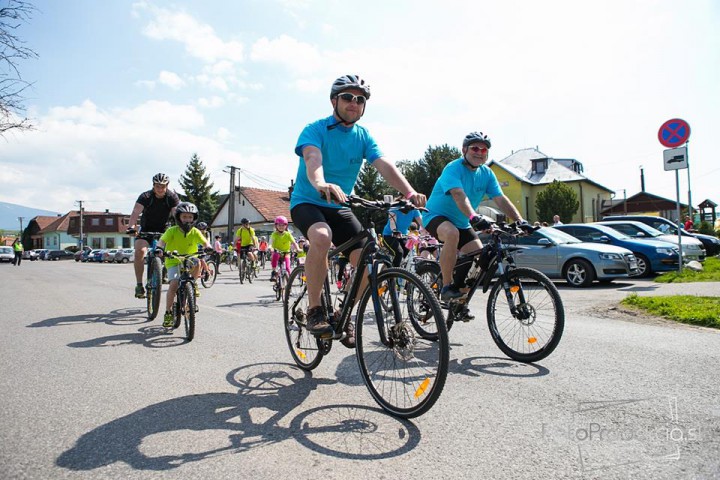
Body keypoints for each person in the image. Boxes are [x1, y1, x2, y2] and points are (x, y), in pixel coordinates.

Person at [290, 74, 426, 347]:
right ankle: (315, 309)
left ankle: (345, 313)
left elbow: (383, 164)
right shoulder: (315, 129)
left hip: (340, 205)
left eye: (360, 99)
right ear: (334, 101)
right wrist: (321, 183)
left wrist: (410, 192)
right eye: (348, 97)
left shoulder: (363, 136)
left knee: (369, 261)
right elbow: (313, 158)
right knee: (321, 236)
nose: (354, 102)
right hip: (308, 201)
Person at [423, 131, 525, 305]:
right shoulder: (453, 168)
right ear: (464, 150)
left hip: (462, 222)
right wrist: (473, 216)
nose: (479, 152)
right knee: (452, 233)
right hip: (435, 216)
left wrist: (520, 221)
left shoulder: (487, 174)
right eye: (475, 148)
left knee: (480, 256)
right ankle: (446, 287)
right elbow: (458, 194)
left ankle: (460, 302)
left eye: (484, 150)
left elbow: (500, 199)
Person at [154, 202, 211, 329]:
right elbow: (162, 241)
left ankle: (193, 284)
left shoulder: (195, 231)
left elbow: (204, 242)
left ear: (194, 218)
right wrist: (159, 248)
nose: (187, 220)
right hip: (173, 260)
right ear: (178, 217)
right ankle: (168, 312)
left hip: (190, 258)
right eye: (184, 217)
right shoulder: (172, 230)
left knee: (197, 262)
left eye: (190, 217)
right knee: (174, 284)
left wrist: (208, 247)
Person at [127, 173, 181, 298]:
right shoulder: (145, 196)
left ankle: (164, 271)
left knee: (169, 252)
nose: (160, 189)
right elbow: (135, 213)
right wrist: (131, 227)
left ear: (167, 186)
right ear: (153, 185)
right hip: (146, 229)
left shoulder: (171, 197)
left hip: (164, 230)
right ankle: (139, 285)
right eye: (157, 186)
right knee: (140, 252)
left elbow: (176, 215)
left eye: (163, 186)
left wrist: (181, 228)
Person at [269, 215, 298, 281]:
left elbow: (294, 242)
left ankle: (289, 283)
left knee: (287, 268)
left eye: (283, 225)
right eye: (279, 225)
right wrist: (270, 247)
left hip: (286, 253)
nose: (281, 227)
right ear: (276, 226)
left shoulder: (288, 234)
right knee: (275, 255)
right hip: (277, 252)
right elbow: (271, 241)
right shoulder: (274, 234)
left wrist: (298, 249)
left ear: (286, 226)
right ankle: (274, 272)